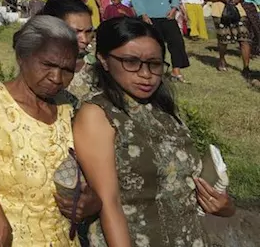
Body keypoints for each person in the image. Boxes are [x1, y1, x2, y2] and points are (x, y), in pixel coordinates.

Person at [73, 17, 236, 247]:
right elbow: (109, 203)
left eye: (154, 64)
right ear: (104, 60)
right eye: (131, 62)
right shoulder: (97, 114)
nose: (146, 74)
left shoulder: (163, 110)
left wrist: (223, 205)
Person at [0, 14, 80, 246]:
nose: (57, 78)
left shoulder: (69, 106)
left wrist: (90, 202)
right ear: (22, 57)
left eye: (67, 70)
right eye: (48, 65)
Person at [129, 0, 188, 82]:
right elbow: (136, 0)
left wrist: (174, 8)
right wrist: (143, 15)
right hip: (150, 19)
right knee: (155, 46)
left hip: (168, 17)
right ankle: (155, 71)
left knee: (177, 42)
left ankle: (176, 70)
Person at [40, 0, 97, 102]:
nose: (84, 39)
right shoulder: (35, 69)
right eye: (75, 32)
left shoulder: (97, 64)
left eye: (88, 31)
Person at [201, 0, 250, 75]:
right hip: (220, 13)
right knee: (224, 40)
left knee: (244, 39)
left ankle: (246, 67)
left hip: (238, 13)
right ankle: (222, 59)